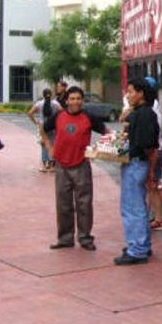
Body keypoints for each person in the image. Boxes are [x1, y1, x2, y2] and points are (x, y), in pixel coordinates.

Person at [41, 85, 109, 251]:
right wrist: (49, 148)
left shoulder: (89, 117)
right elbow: (43, 129)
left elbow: (106, 132)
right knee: (63, 204)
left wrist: (98, 149)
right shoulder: (58, 116)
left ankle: (85, 238)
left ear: (82, 100)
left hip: (81, 165)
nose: (75, 102)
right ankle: (65, 238)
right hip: (61, 166)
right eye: (72, 99)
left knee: (84, 203)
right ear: (66, 100)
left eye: (78, 99)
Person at [115, 78, 159, 265]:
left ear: (141, 93)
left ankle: (137, 249)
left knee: (133, 207)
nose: (128, 94)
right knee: (136, 206)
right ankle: (141, 244)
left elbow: (150, 147)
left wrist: (151, 170)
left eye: (131, 91)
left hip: (136, 163)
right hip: (136, 163)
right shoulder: (142, 113)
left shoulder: (144, 115)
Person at [144, 76, 162, 231]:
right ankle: (157, 217)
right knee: (154, 186)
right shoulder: (157, 107)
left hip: (153, 153)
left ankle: (158, 219)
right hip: (159, 149)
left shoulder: (150, 111)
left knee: (152, 187)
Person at [27, 88, 62, 172]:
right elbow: (62, 112)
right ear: (51, 94)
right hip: (53, 126)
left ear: (43, 95)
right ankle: (52, 165)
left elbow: (30, 113)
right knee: (53, 145)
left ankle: (43, 165)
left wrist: (36, 122)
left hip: (42, 126)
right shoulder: (55, 103)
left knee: (43, 145)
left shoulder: (39, 104)